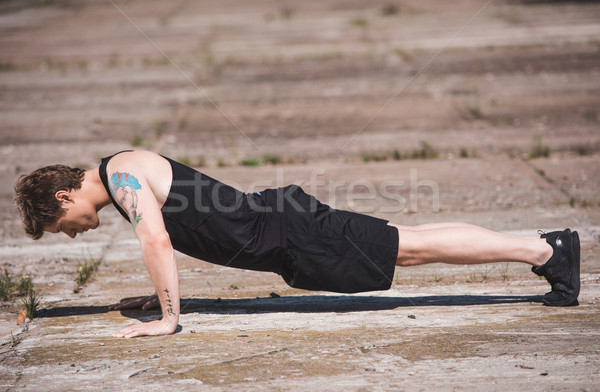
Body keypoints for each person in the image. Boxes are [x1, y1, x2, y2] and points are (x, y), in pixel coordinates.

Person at [13, 150, 580, 338]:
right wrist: (153, 296)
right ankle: (546, 248)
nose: (74, 232)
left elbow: (157, 242)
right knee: (412, 244)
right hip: (287, 233)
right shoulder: (123, 173)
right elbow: (181, 228)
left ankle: (546, 252)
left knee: (413, 246)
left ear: (64, 196)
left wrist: (167, 318)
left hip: (292, 232)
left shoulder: (123, 177)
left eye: (63, 225)